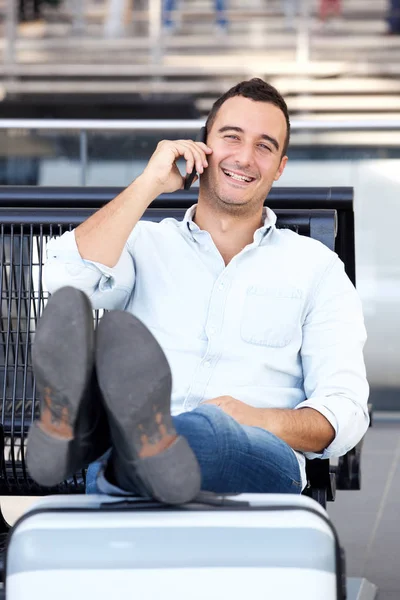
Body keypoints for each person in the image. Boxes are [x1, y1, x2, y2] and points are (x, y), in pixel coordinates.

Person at [26, 78, 369, 505]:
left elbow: (347, 409)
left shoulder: (315, 267)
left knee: (210, 432)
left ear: (280, 166)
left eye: (264, 146)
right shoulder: (144, 245)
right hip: (133, 467)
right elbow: (61, 281)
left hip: (254, 455)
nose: (244, 157)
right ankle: (126, 456)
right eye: (231, 137)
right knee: (144, 449)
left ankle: (96, 430)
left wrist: (258, 419)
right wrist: (149, 183)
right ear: (203, 145)